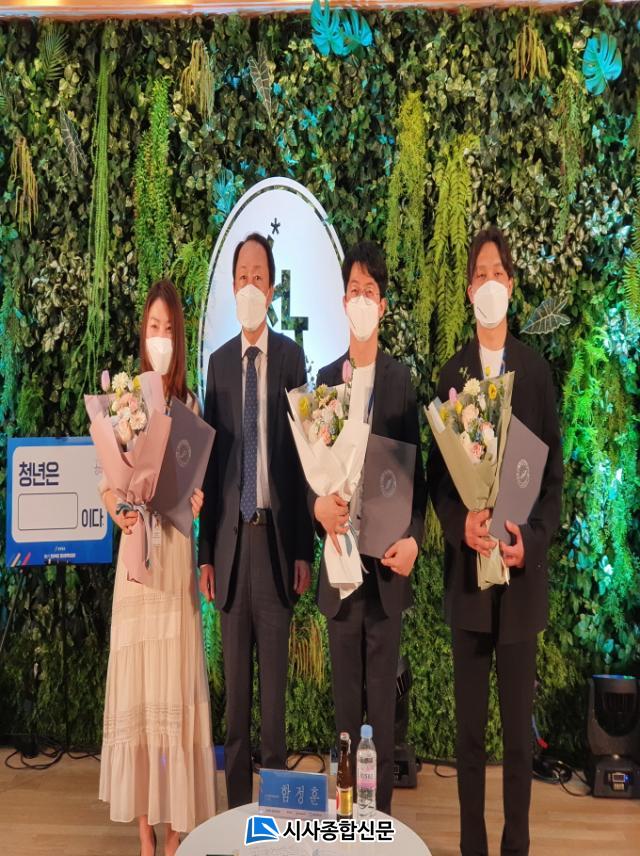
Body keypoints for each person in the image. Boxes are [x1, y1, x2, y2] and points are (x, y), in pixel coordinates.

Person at [428, 226, 563, 856]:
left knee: (515, 741)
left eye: (498, 273)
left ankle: (516, 848)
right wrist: (460, 523)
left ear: (511, 285)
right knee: (469, 738)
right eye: (479, 274)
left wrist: (528, 542)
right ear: (468, 290)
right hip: (469, 584)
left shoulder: (535, 374)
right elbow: (437, 480)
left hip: (519, 583)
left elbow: (553, 483)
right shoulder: (451, 377)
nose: (489, 283)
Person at [99, 279, 216, 856]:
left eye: (169, 328)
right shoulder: (125, 402)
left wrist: (195, 501)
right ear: (142, 334)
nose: (161, 337)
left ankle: (175, 833)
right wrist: (118, 509)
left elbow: (194, 486)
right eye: (153, 327)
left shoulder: (190, 405)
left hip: (175, 565)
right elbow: (108, 483)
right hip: (136, 565)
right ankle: (146, 833)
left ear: (179, 336)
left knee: (173, 689)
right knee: (141, 697)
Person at [198, 232, 314, 808]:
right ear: (233, 285)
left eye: (258, 277)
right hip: (229, 550)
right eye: (241, 275)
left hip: (275, 547)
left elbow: (305, 461)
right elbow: (209, 465)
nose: (249, 284)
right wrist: (204, 556)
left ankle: (274, 824)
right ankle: (238, 820)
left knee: (273, 712)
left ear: (271, 289)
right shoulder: (219, 365)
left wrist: (304, 550)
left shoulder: (291, 358)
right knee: (236, 711)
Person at [312, 240, 426, 815]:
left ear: (383, 306)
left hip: (384, 574)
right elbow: (308, 475)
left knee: (380, 718)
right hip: (339, 573)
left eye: (370, 291)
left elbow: (418, 482)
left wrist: (414, 540)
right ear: (343, 301)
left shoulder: (401, 382)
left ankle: (379, 827)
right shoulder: (323, 382)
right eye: (353, 290)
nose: (361, 299)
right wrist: (317, 509)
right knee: (343, 720)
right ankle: (344, 825)